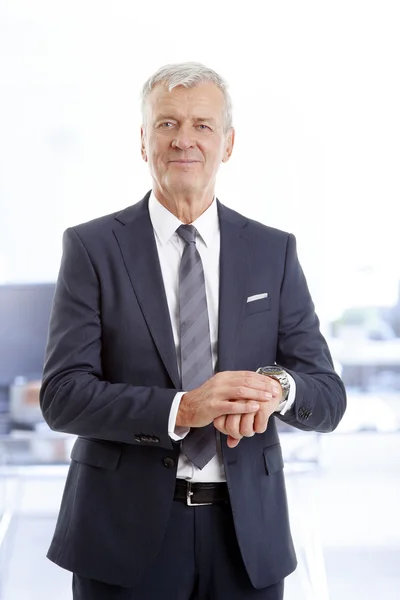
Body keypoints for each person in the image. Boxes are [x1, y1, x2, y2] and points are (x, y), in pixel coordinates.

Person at [40, 62, 346, 600]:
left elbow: (326, 394)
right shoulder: (92, 248)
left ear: (227, 144)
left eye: (202, 125)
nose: (185, 139)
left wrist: (278, 389)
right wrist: (183, 409)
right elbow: (63, 396)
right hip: (122, 534)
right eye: (167, 124)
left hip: (247, 537)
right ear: (143, 142)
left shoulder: (273, 252)